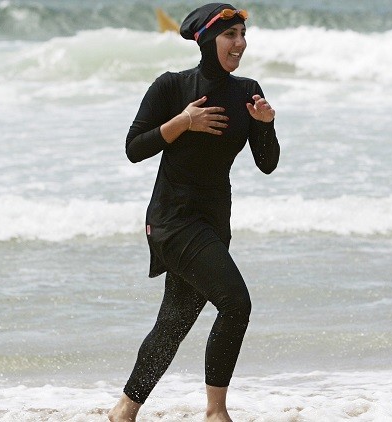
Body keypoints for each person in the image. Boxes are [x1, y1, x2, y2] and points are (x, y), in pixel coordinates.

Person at [108, 4, 280, 421]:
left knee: (173, 325)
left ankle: (124, 411)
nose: (239, 43)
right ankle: (216, 413)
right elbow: (134, 149)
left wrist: (266, 124)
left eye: (242, 34)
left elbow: (267, 162)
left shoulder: (246, 91)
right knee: (236, 304)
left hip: (214, 221)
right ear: (206, 40)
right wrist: (182, 121)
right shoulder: (172, 86)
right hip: (172, 219)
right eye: (229, 35)